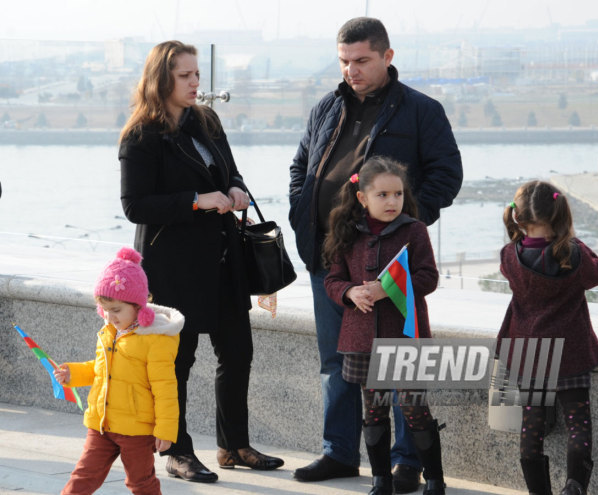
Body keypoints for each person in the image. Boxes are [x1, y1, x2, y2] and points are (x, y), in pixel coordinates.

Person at [288, 16, 462, 492]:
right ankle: (338, 453)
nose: (352, 70)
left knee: (399, 363)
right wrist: (300, 210)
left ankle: (407, 464)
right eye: (344, 61)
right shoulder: (326, 106)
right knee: (337, 362)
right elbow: (301, 166)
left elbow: (446, 176)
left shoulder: (422, 111)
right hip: (331, 257)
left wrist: (400, 225)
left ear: (387, 56)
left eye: (362, 60)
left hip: (392, 266)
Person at [119, 40, 283, 483]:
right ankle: (177, 451)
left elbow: (229, 169)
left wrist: (235, 189)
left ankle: (234, 445)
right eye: (185, 76)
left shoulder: (206, 120)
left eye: (197, 74)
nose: (196, 83)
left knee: (238, 351)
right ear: (161, 79)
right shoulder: (141, 136)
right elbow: (135, 206)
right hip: (174, 267)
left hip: (224, 259)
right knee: (178, 362)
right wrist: (195, 201)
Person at [324, 157, 445, 495]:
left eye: (397, 194)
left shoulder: (414, 230)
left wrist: (389, 288)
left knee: (414, 409)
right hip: (362, 340)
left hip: (405, 337)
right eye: (382, 195)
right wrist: (350, 292)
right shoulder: (347, 232)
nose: (392, 201)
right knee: (374, 411)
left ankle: (435, 480)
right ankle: (381, 481)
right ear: (362, 197)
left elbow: (428, 277)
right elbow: (333, 280)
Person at [498, 181, 598, 495]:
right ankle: (574, 487)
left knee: (531, 425)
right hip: (570, 352)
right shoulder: (573, 254)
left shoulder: (509, 256)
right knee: (578, 422)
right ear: (559, 213)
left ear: (518, 218)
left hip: (531, 353)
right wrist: (572, 239)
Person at [54, 247, 183, 494]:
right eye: (105, 310)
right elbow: (100, 370)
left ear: (138, 306)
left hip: (136, 430)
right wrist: (73, 373)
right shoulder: (109, 333)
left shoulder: (155, 340)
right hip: (101, 424)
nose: (110, 317)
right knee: (82, 477)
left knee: (140, 482)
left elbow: (165, 389)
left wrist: (165, 430)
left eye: (117, 310)